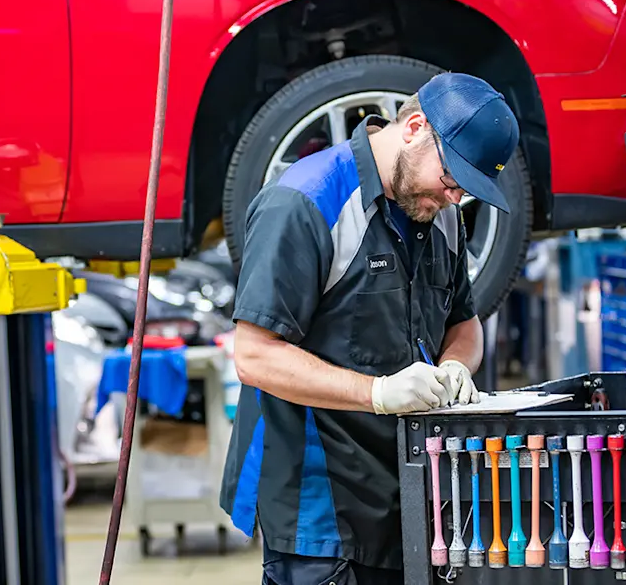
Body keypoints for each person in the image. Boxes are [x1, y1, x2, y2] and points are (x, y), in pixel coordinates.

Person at [218, 72, 519, 584]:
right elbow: (255, 356)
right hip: (318, 510)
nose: (453, 198)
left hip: (407, 496)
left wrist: (454, 364)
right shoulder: (305, 202)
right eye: (452, 180)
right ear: (415, 128)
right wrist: (378, 393)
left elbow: (464, 322)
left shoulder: (439, 212)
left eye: (465, 191)